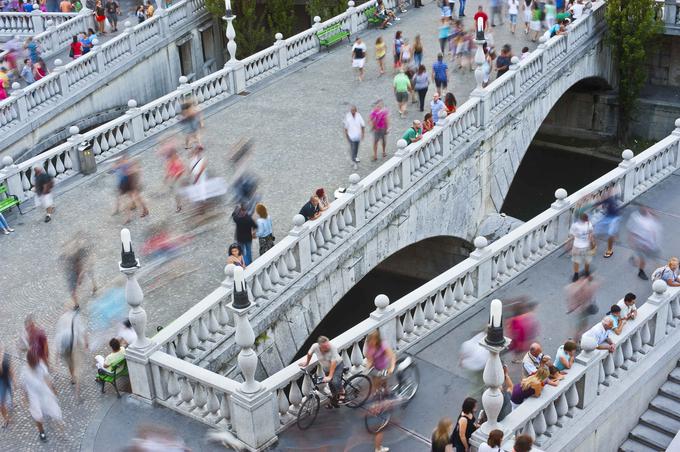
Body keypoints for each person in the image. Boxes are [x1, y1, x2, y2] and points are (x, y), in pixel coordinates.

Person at [363, 330, 395, 452]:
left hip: (384, 368)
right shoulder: (369, 348)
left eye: (373, 341)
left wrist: (391, 368)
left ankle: (386, 396)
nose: (371, 343)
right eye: (369, 341)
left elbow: (391, 357)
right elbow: (369, 360)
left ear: (377, 340)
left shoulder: (383, 345)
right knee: (376, 387)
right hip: (376, 371)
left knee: (384, 385)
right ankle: (380, 399)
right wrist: (368, 367)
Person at [22, 349, 62, 442]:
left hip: (44, 393)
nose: (35, 363)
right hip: (34, 396)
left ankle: (54, 421)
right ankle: (41, 431)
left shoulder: (40, 365)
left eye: (36, 361)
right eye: (34, 362)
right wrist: (25, 397)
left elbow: (47, 378)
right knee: (38, 416)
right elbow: (24, 386)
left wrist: (53, 389)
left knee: (53, 409)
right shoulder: (25, 371)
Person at [298, 336, 344, 407]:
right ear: (320, 346)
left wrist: (330, 376)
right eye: (325, 347)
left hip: (337, 366)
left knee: (335, 381)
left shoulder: (332, 348)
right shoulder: (315, 346)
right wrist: (306, 362)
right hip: (326, 368)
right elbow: (309, 353)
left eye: (328, 345)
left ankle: (342, 392)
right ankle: (334, 402)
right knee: (331, 386)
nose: (327, 347)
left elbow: (333, 363)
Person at [55, 306, 87, 397]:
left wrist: (57, 355)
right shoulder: (76, 318)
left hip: (65, 344)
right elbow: (82, 330)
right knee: (74, 360)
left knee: (70, 361)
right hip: (73, 342)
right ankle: (75, 378)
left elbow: (58, 334)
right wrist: (86, 342)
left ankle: (73, 376)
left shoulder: (62, 318)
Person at [627, 207, 661, 280]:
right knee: (645, 260)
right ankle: (641, 271)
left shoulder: (649, 219)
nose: (650, 212)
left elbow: (656, 218)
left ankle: (658, 274)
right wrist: (634, 244)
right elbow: (633, 234)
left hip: (651, 245)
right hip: (643, 245)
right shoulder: (639, 222)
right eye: (648, 211)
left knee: (654, 259)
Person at [568, 212, 595, 282]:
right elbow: (591, 235)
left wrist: (569, 245)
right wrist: (593, 244)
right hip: (587, 246)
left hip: (577, 246)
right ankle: (586, 273)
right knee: (587, 260)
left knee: (576, 261)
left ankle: (576, 275)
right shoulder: (589, 224)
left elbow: (572, 236)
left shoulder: (575, 225)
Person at [0, 342, 16, 428]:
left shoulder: (6, 356)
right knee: (1, 404)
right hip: (1, 381)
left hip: (7, 379)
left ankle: (12, 403)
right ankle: (6, 420)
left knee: (10, 392)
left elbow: (11, 369)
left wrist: (14, 380)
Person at [344, 105, 365, 170]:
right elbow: (346, 127)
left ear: (356, 111)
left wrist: (362, 134)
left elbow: (363, 125)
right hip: (351, 136)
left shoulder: (358, 116)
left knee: (356, 148)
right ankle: (354, 161)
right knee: (353, 148)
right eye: (351, 110)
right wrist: (346, 135)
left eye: (353, 110)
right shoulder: (348, 116)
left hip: (357, 135)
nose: (352, 112)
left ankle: (354, 156)